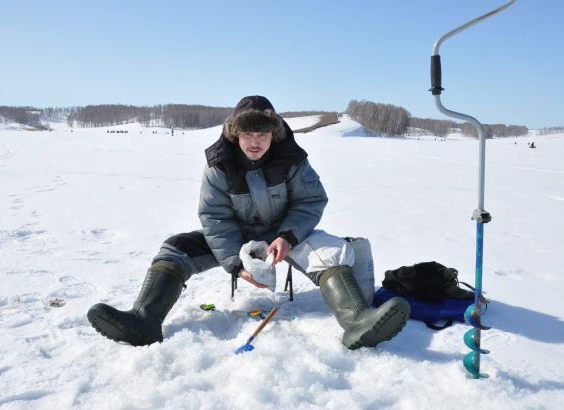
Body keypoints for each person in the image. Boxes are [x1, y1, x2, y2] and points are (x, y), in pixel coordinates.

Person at [87, 96, 410, 350]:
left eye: (262, 133)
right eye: (247, 133)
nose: (255, 141)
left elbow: (310, 201)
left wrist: (288, 236)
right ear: (235, 133)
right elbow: (215, 217)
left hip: (284, 234)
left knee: (330, 250)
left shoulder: (293, 160)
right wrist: (233, 264)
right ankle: (144, 320)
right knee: (176, 248)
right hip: (237, 235)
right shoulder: (219, 165)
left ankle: (357, 322)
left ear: (274, 134)